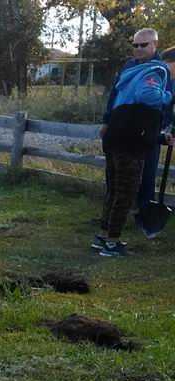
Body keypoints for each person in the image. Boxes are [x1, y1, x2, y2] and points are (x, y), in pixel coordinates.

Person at [95, 39, 173, 257]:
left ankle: (102, 236)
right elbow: (146, 96)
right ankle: (112, 244)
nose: (138, 48)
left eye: (142, 45)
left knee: (115, 192)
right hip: (129, 144)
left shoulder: (135, 72)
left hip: (117, 137)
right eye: (136, 45)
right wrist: (168, 96)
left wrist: (159, 137)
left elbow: (134, 114)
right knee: (126, 193)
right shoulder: (158, 71)